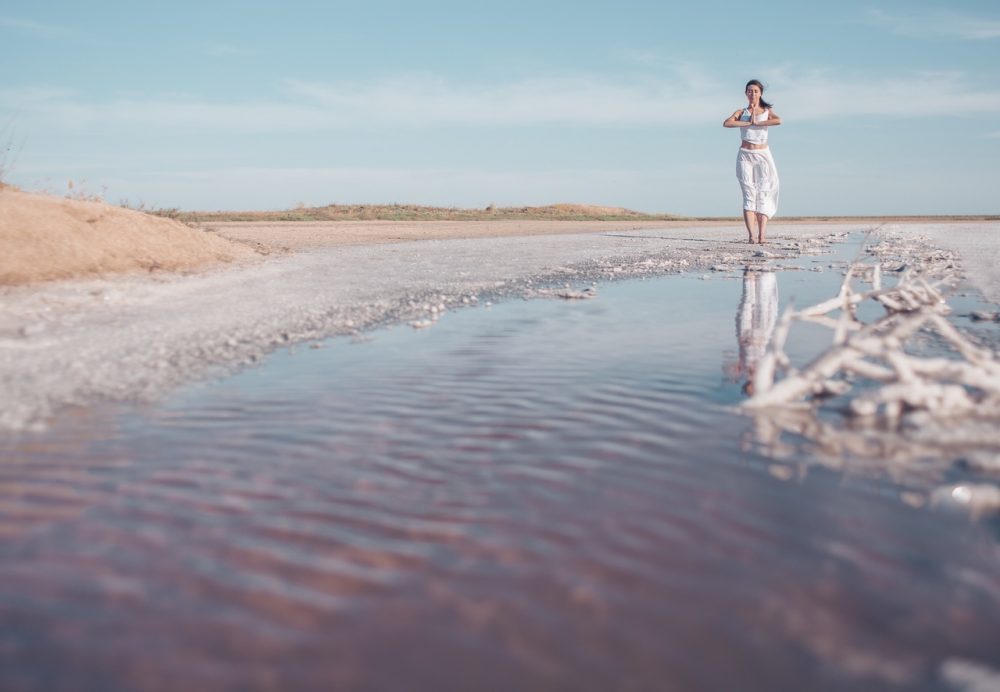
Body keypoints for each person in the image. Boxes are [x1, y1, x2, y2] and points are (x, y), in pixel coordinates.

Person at [723, 79, 781, 244]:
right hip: (745, 155)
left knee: (763, 193)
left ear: (760, 93)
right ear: (746, 93)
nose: (752, 93)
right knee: (749, 194)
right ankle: (751, 236)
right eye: (749, 91)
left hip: (763, 154)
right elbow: (727, 123)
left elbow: (779, 120)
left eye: (755, 91)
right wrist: (748, 122)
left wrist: (759, 122)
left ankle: (762, 235)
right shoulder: (741, 111)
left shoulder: (767, 110)